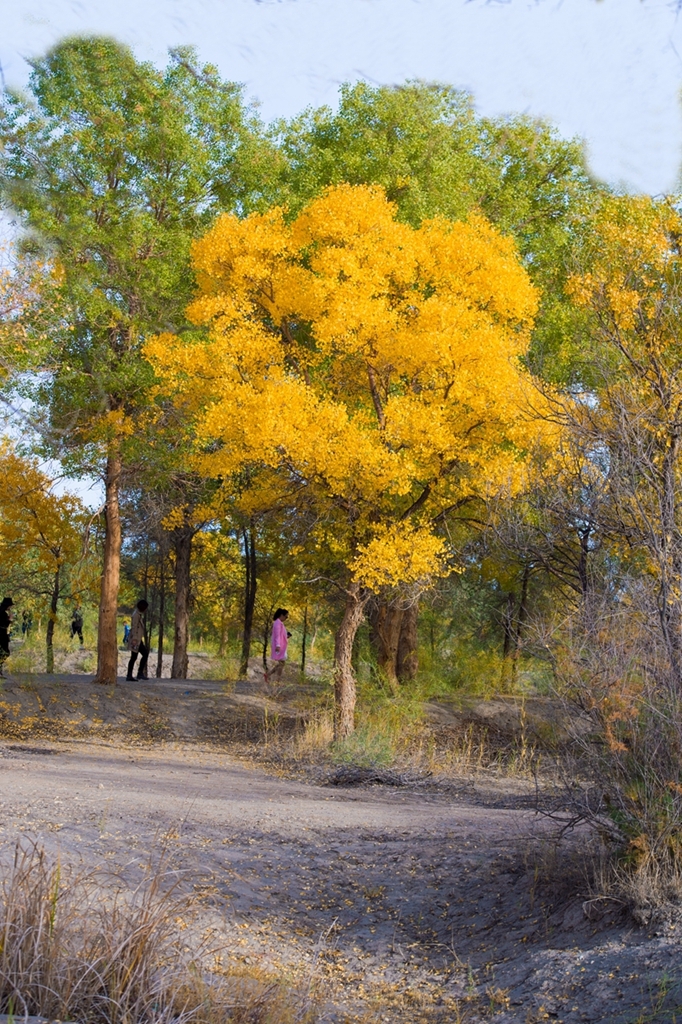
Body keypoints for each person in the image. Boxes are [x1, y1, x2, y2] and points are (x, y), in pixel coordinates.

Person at [126, 599, 149, 681]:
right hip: (136, 639)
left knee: (141, 655)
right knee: (136, 656)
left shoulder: (138, 614)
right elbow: (134, 627)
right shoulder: (136, 615)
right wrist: (135, 639)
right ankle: (132, 674)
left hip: (138, 639)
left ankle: (137, 673)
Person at [265, 607, 290, 684]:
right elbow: (277, 635)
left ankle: (269, 675)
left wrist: (286, 636)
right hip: (279, 646)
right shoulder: (277, 623)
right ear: (281, 615)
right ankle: (276, 680)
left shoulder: (279, 623)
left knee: (282, 663)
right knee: (281, 663)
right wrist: (278, 645)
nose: (286, 618)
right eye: (286, 616)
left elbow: (281, 635)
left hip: (281, 645)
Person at [0, 598, 13, 678]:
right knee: (5, 652)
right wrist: (10, 619)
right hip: (1, 635)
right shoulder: (3, 613)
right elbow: (4, 625)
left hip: (2, 634)